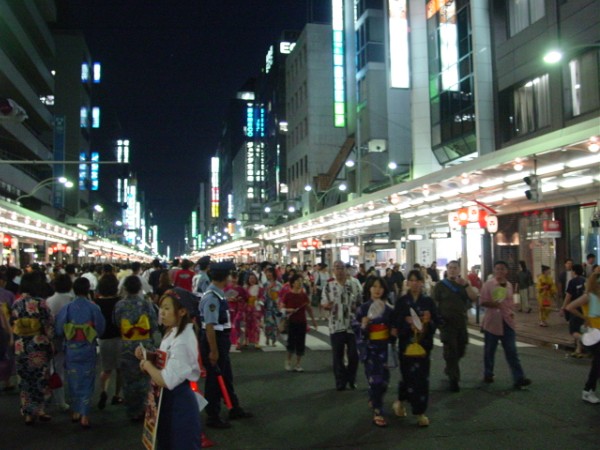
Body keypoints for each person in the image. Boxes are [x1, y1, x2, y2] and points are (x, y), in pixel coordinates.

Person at [137, 288, 202, 450]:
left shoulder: (182, 340)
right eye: (161, 308)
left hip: (178, 401)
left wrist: (147, 365)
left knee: (179, 442)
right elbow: (167, 360)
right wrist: (150, 356)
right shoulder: (172, 332)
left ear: (182, 311)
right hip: (168, 399)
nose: (162, 313)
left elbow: (166, 380)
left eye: (167, 308)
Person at [199, 261, 252, 429]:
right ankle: (212, 415)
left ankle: (233, 407)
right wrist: (213, 351)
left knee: (226, 376)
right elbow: (210, 326)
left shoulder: (218, 294)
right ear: (224, 276)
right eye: (229, 274)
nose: (231, 277)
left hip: (220, 340)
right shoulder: (212, 298)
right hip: (215, 341)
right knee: (215, 379)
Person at [55, 277, 105, 428]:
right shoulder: (93, 307)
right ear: (88, 289)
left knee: (73, 380)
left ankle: (76, 411)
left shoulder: (68, 308)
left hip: (72, 350)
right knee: (87, 380)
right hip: (88, 349)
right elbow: (100, 329)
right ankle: (84, 414)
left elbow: (58, 329)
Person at [392, 269, 439, 427]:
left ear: (422, 282)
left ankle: (420, 412)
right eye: (411, 280)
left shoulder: (428, 302)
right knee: (407, 376)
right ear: (407, 283)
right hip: (406, 345)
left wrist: (428, 322)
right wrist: (407, 322)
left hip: (423, 346)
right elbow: (396, 322)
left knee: (421, 379)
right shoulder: (402, 301)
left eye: (417, 280)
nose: (415, 283)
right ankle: (400, 400)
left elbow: (436, 321)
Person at [10, 271, 55, 425]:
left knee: (25, 379)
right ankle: (41, 409)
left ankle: (28, 412)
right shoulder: (40, 303)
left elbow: (13, 323)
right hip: (38, 343)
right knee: (40, 377)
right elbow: (48, 324)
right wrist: (51, 340)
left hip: (21, 344)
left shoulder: (16, 303)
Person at [479, 261, 532, 389]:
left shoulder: (509, 285)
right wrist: (493, 304)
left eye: (502, 269)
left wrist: (512, 312)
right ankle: (488, 373)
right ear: (494, 270)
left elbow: (510, 302)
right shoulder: (488, 285)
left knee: (511, 351)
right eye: (497, 269)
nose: (500, 271)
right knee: (489, 350)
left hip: (507, 321)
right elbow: (482, 301)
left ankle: (519, 378)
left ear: (506, 271)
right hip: (492, 322)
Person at [113, 275, 159, 422]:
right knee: (145, 377)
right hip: (144, 344)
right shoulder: (146, 303)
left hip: (127, 345)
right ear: (140, 288)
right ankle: (145, 408)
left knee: (128, 379)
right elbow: (154, 324)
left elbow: (116, 322)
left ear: (125, 289)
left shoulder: (120, 305)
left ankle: (132, 410)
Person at [354, 276, 394, 427]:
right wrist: (363, 326)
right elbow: (355, 326)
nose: (377, 290)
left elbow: (394, 328)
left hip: (385, 348)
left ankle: (374, 397)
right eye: (374, 286)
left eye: (380, 287)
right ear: (369, 288)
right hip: (371, 349)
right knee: (375, 379)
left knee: (384, 381)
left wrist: (394, 332)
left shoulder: (389, 309)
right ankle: (378, 411)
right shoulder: (363, 308)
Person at [432, 260, 478, 392]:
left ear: (459, 270)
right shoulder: (440, 286)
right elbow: (434, 302)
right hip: (446, 323)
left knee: (461, 347)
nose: (452, 270)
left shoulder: (462, 285)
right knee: (451, 350)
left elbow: (474, 298)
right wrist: (436, 319)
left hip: (461, 322)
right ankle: (454, 379)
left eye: (455, 268)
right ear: (447, 269)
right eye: (450, 268)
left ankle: (450, 367)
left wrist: (466, 285)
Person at [321, 260, 363, 391]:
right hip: (336, 324)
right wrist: (327, 306)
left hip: (352, 324)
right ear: (333, 270)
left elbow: (361, 301)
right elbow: (323, 303)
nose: (339, 271)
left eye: (341, 268)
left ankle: (351, 378)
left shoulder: (354, 284)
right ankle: (340, 381)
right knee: (338, 356)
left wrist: (358, 308)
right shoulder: (328, 286)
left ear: (346, 270)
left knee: (353, 355)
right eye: (336, 268)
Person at [565, 272, 600, 403]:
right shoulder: (588, 296)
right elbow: (570, 306)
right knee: (598, 363)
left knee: (598, 364)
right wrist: (584, 317)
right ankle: (588, 391)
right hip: (595, 333)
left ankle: (588, 390)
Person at [45, 274, 74, 412]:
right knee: (73, 369)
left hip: (55, 339)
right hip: (73, 338)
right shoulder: (72, 300)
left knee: (56, 369)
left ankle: (59, 399)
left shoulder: (49, 301)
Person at [95, 273, 124, 408]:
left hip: (103, 338)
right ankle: (117, 395)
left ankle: (103, 391)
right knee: (119, 369)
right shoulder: (120, 302)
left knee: (106, 369)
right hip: (119, 337)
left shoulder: (96, 303)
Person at [281, 273, 317, 372]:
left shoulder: (303, 295)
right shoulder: (288, 295)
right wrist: (289, 310)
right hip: (291, 321)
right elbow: (282, 308)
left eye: (301, 281)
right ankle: (288, 361)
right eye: (297, 281)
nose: (300, 283)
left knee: (301, 343)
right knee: (291, 342)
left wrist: (313, 321)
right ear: (292, 283)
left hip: (302, 321)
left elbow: (309, 308)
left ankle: (298, 364)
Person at [560, 264, 587, 357]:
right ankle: (578, 349)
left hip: (575, 308)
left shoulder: (572, 282)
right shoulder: (585, 280)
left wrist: (563, 307)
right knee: (580, 328)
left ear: (574, 271)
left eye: (572, 271)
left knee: (573, 331)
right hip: (584, 308)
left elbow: (568, 296)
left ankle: (586, 340)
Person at [0, 271, 16, 392]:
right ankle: (7, 381)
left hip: (3, 328)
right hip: (3, 329)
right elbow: (10, 313)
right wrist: (11, 334)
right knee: (6, 355)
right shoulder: (8, 294)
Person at [263, 267, 282, 347]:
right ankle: (267, 338)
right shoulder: (265, 284)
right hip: (268, 306)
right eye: (267, 273)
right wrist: (268, 290)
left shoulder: (279, 284)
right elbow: (262, 296)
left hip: (277, 306)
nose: (268, 274)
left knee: (276, 324)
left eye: (270, 272)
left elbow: (281, 295)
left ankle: (274, 340)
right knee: (268, 324)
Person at [244, 272, 263, 348]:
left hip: (256, 308)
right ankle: (246, 340)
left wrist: (258, 301)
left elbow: (262, 298)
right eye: (250, 278)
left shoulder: (259, 288)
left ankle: (256, 341)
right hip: (248, 308)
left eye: (254, 279)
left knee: (256, 325)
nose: (252, 280)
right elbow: (243, 298)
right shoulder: (245, 288)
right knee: (247, 324)